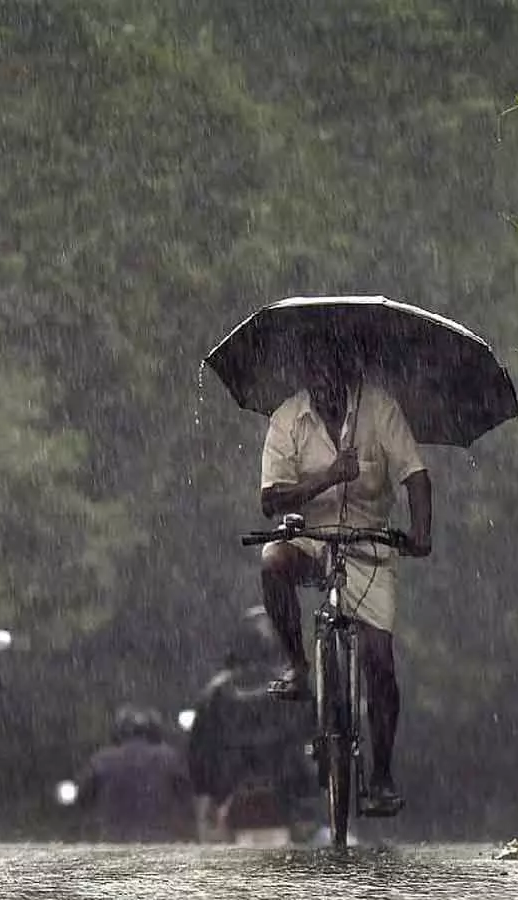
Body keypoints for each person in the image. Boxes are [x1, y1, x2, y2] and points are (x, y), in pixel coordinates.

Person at [258, 333, 432, 815]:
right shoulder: (287, 419)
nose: (326, 387)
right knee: (272, 561)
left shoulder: (381, 411)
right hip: (309, 537)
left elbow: (415, 476)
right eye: (317, 378)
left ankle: (380, 775)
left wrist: (420, 533)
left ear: (351, 374)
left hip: (368, 543)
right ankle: (297, 664)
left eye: (335, 376)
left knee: (379, 659)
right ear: (307, 379)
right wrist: (329, 476)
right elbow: (271, 500)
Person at [187, 606, 317, 841]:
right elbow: (312, 744)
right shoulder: (295, 689)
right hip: (287, 799)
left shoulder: (214, 693)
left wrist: (208, 796)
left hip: (230, 799)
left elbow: (199, 755)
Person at [73, 705, 195, 842]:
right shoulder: (170, 758)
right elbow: (187, 797)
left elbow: (82, 797)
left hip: (113, 839)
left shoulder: (102, 760)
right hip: (159, 839)